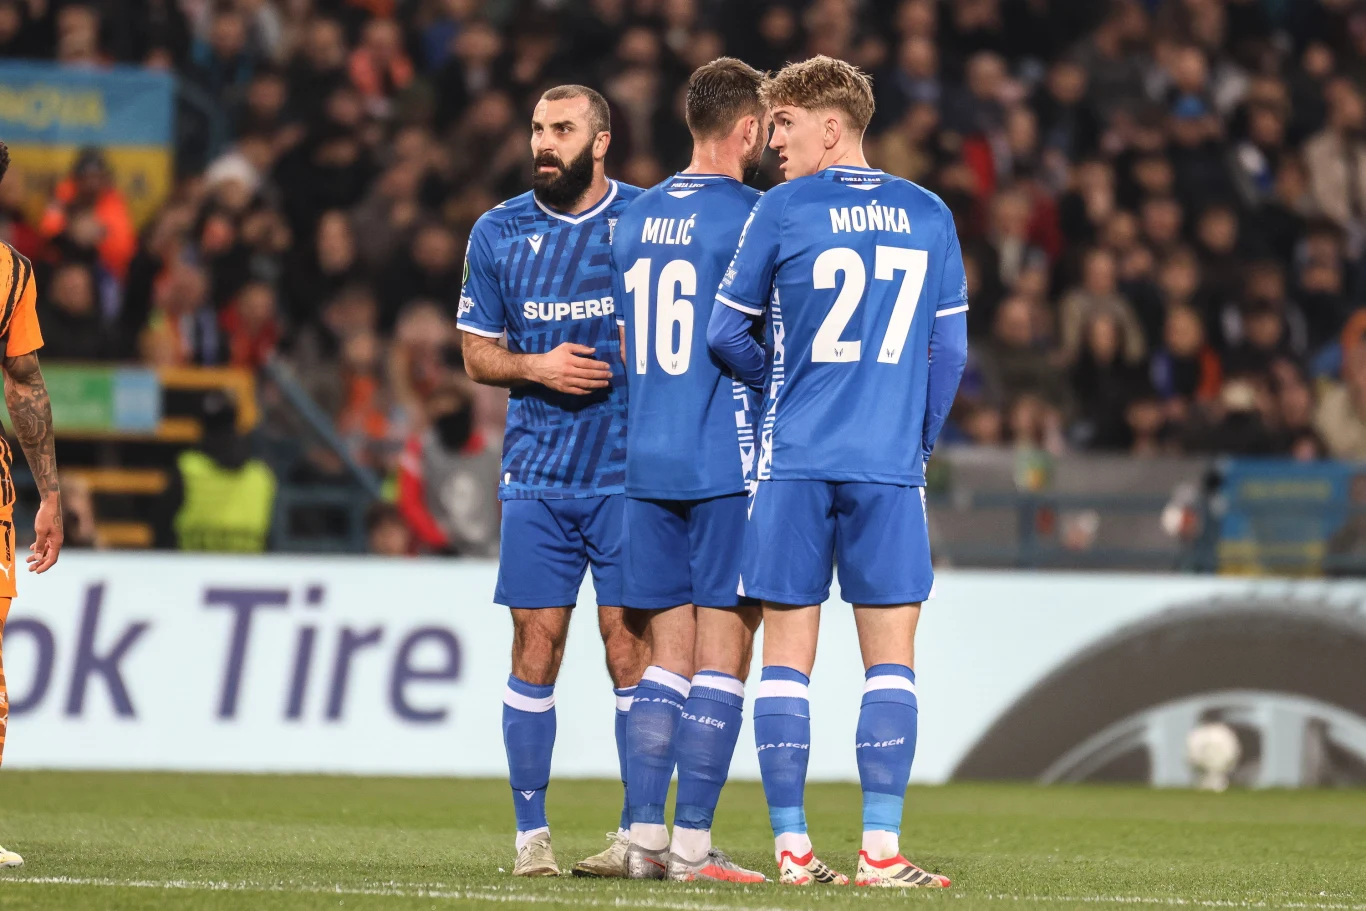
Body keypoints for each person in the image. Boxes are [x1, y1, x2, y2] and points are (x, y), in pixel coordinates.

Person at [706, 56, 966, 888]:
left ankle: (791, 851)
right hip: (888, 468)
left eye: (784, 125)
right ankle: (881, 853)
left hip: (797, 461)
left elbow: (725, 333)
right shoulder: (930, 213)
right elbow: (949, 352)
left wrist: (779, 382)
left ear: (831, 124)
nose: (773, 142)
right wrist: (915, 440)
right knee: (891, 660)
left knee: (787, 655)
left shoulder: (782, 210)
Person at [456, 85, 647, 879]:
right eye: (538, 127)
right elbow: (475, 352)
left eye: (562, 129)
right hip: (536, 475)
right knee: (537, 642)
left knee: (628, 648)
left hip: (630, 474)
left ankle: (641, 834)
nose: (544, 142)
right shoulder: (497, 231)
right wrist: (535, 366)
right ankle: (530, 836)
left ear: (600, 142)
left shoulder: (646, 222)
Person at [609, 58, 767, 884]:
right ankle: (695, 849)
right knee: (721, 660)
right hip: (722, 460)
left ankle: (642, 836)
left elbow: (630, 348)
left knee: (664, 659)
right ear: (746, 129)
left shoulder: (632, 217)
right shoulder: (753, 215)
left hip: (647, 457)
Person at [0, 140, 65, 869]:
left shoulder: (11, 273)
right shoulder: (7, 273)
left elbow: (24, 383)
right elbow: (23, 383)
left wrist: (49, 492)